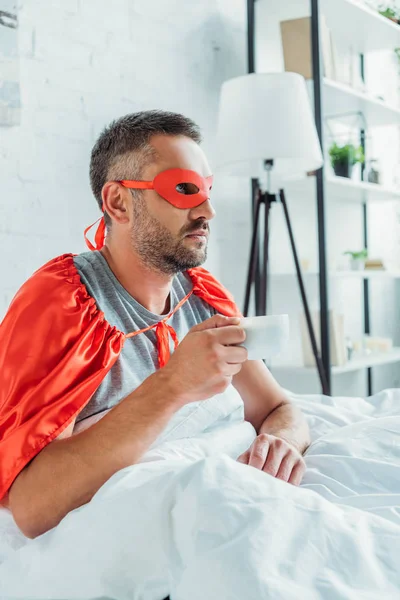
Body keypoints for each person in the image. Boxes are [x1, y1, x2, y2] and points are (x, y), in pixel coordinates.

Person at [0, 110, 310, 540]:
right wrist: (173, 385)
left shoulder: (200, 293)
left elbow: (281, 409)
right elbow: (31, 508)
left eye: (207, 190)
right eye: (184, 189)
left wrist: (281, 444)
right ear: (118, 202)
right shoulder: (62, 301)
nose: (208, 210)